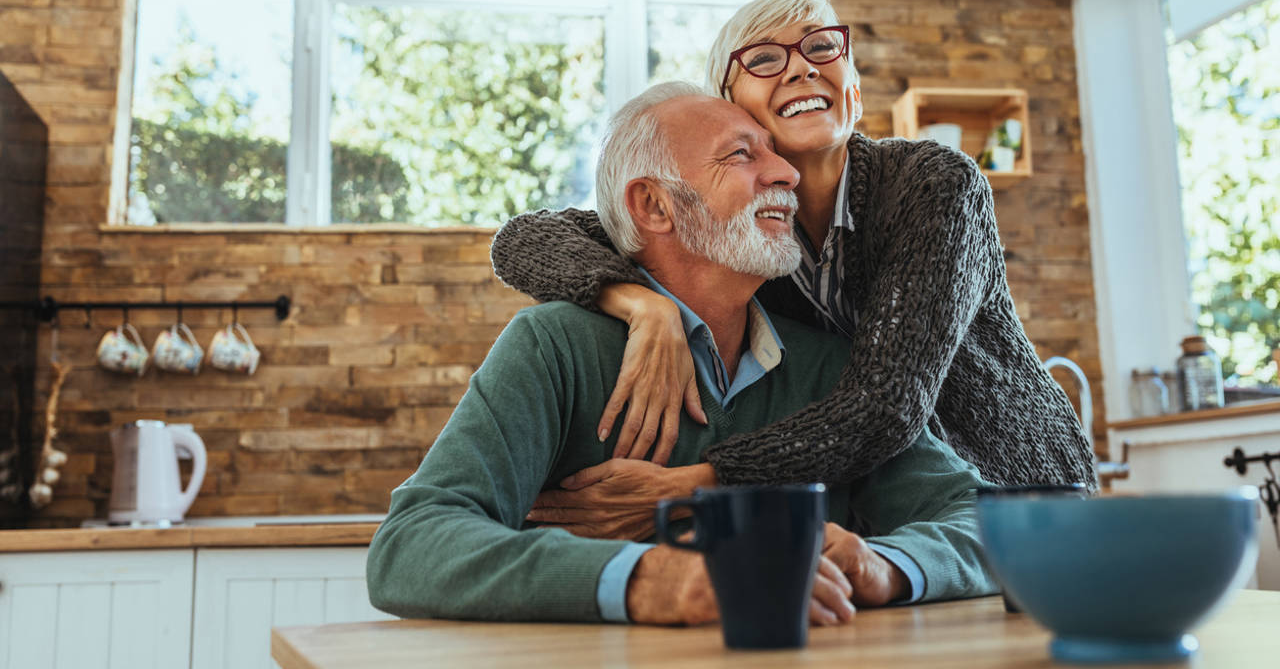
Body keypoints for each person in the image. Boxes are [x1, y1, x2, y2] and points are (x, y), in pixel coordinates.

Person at [366, 82, 997, 625]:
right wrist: (651, 579)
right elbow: (411, 546)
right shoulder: (553, 347)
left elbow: (983, 523)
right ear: (653, 205)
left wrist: (882, 562)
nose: (786, 174)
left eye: (775, 154)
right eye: (742, 155)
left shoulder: (830, 367)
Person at [490, 0, 1096, 540]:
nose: (802, 66)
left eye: (821, 47)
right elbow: (526, 237)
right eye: (763, 59)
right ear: (731, 110)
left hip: (1013, 492)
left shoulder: (934, 184)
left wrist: (691, 484)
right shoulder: (736, 232)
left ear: (853, 90)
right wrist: (640, 303)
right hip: (875, 516)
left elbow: (885, 406)